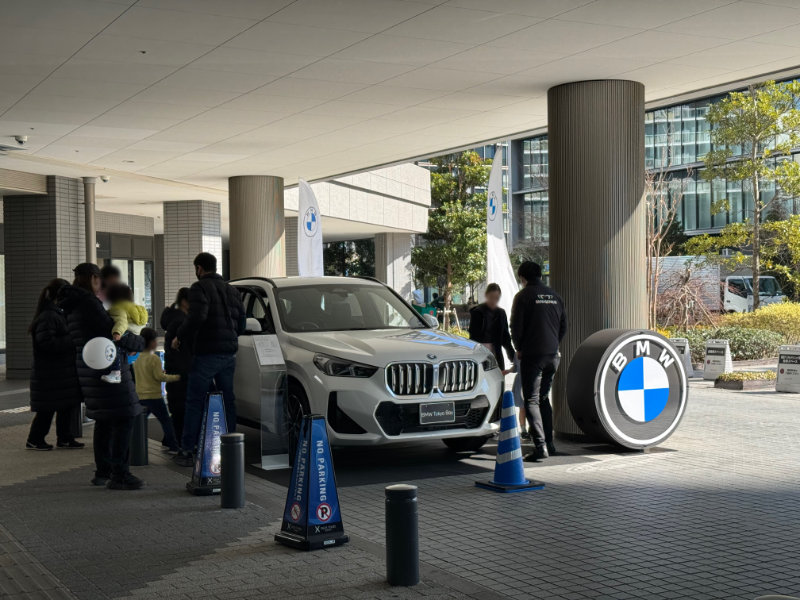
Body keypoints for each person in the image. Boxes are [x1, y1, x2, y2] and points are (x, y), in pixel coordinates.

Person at [60, 263, 146, 490]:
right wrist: (139, 342)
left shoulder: (72, 305)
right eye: (99, 279)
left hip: (90, 369)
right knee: (125, 417)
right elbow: (113, 332)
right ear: (92, 278)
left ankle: (103, 472)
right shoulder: (89, 303)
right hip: (109, 369)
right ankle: (120, 474)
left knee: (105, 420)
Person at [173, 253, 244, 467]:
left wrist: (180, 337)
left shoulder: (199, 288)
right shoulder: (232, 290)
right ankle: (231, 446)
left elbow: (197, 316)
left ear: (199, 268)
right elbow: (242, 320)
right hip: (229, 353)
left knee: (195, 401)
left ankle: (187, 450)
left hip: (206, 353)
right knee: (227, 400)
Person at [510, 261, 567, 461]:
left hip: (532, 355)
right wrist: (553, 344)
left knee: (531, 399)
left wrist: (519, 348)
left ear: (522, 278)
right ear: (540, 276)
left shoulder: (523, 296)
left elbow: (515, 326)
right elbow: (563, 326)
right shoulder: (555, 296)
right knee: (543, 398)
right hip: (553, 355)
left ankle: (539, 446)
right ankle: (550, 444)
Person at [27, 279, 84, 450]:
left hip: (60, 371)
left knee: (66, 406)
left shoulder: (57, 313)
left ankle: (65, 438)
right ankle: (35, 439)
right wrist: (72, 338)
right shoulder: (49, 316)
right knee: (47, 409)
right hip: (50, 372)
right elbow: (46, 343)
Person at [133, 327, 181, 454]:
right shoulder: (153, 358)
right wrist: (177, 377)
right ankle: (174, 447)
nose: (156, 343)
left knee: (138, 422)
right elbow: (159, 377)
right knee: (166, 420)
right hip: (154, 396)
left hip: (140, 395)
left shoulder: (137, 359)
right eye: (155, 340)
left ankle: (132, 443)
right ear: (150, 342)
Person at [160, 287, 191, 444]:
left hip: (174, 368)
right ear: (185, 301)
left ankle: (170, 439)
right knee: (181, 407)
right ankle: (175, 440)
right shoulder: (180, 320)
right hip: (181, 369)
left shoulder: (173, 317)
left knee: (177, 406)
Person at [103, 283, 148, 384]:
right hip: (137, 338)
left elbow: (121, 321)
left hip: (125, 334)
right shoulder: (138, 309)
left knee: (114, 346)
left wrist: (117, 333)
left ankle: (115, 372)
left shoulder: (118, 308)